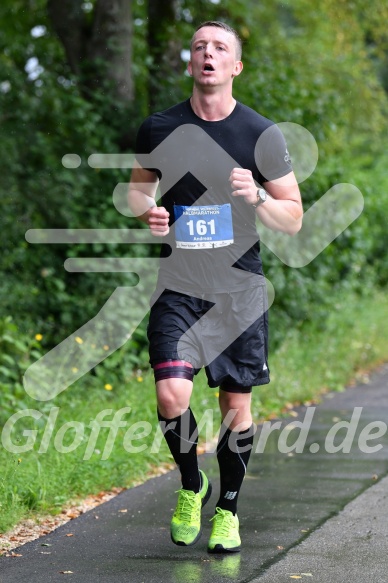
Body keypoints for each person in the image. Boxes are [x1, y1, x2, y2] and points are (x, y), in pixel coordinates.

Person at [128, 21, 303, 553]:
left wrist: (255, 198)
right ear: (190, 64)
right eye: (200, 46)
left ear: (235, 66)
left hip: (238, 291)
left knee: (235, 407)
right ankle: (191, 485)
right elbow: (137, 193)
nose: (208, 54)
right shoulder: (159, 128)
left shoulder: (260, 135)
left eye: (220, 48)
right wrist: (150, 214)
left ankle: (227, 509)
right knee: (170, 393)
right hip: (178, 286)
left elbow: (292, 218)